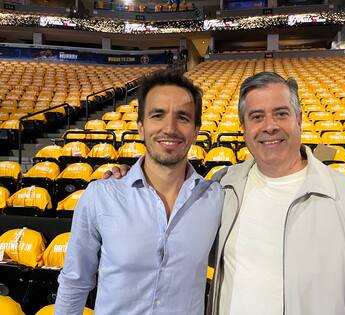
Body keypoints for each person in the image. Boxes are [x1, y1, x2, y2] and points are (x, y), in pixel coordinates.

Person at [106, 72, 345, 315]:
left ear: (299, 119)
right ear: (244, 128)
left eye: (281, 114)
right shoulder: (221, 187)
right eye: (257, 116)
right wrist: (131, 175)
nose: (269, 126)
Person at [54, 70, 223, 315]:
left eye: (183, 117)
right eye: (158, 115)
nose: (170, 127)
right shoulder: (101, 195)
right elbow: (75, 281)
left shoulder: (216, 199)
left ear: (196, 131)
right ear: (141, 128)